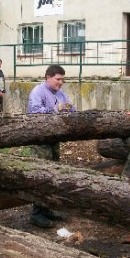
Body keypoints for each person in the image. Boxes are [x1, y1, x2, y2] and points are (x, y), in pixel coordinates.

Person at [27, 64, 75, 228]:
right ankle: (36, 213)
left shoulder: (60, 93)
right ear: (48, 78)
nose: (60, 82)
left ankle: (47, 209)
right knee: (41, 175)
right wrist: (56, 108)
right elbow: (34, 112)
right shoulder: (38, 91)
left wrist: (69, 109)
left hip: (54, 139)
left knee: (53, 174)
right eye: (57, 79)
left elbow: (71, 109)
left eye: (62, 79)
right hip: (40, 141)